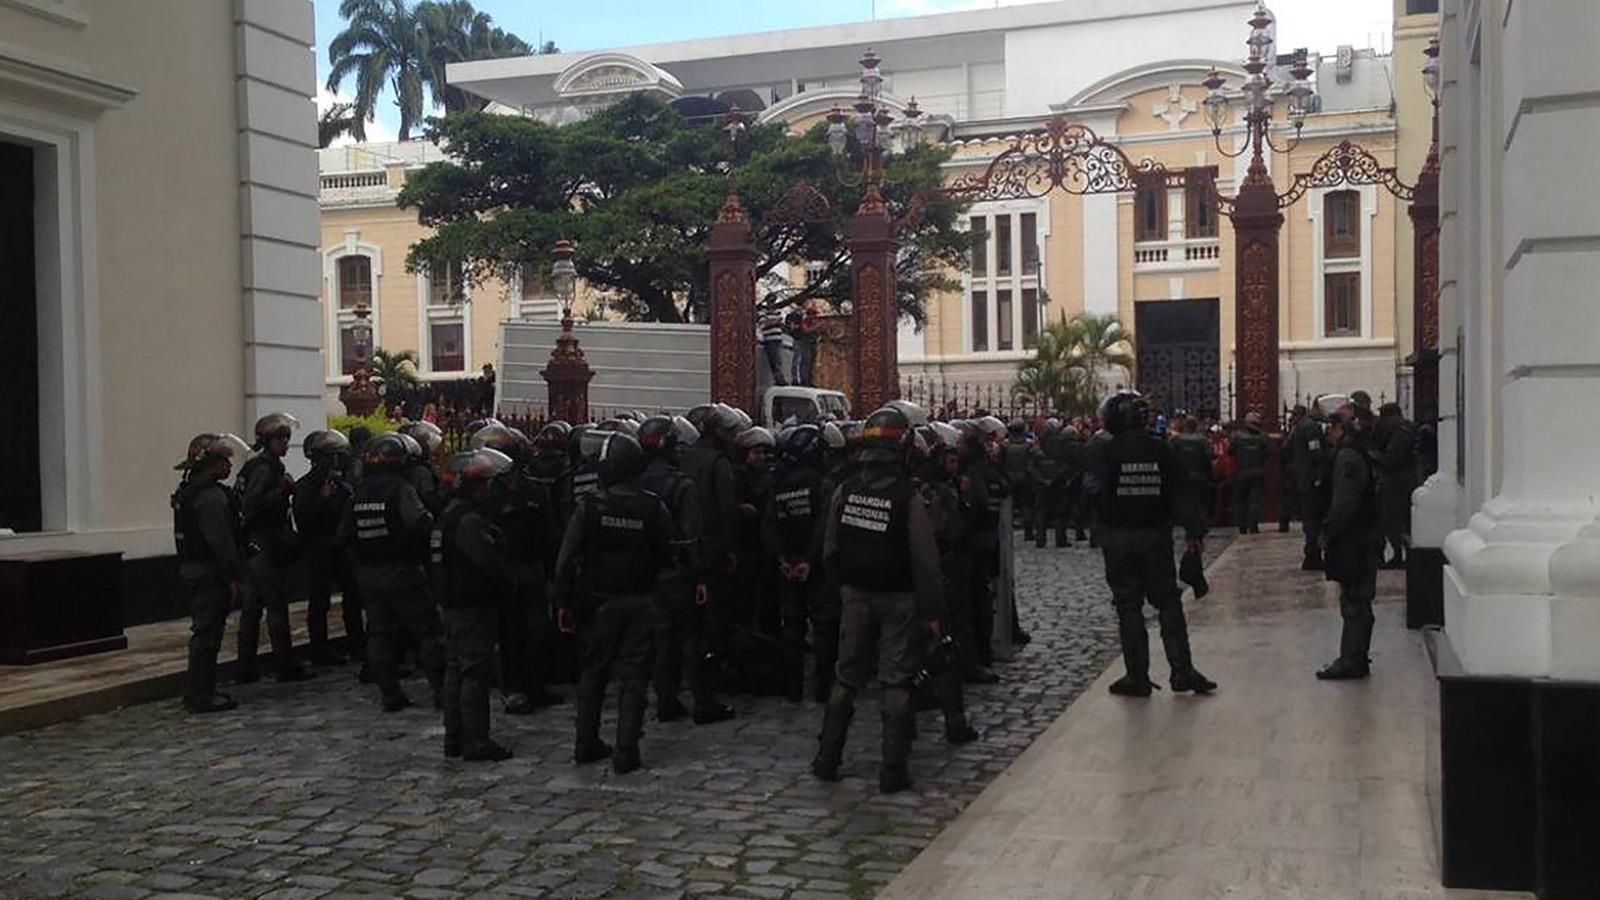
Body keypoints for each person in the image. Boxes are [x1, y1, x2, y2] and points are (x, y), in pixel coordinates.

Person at [811, 406, 945, 794]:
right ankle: (892, 768)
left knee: (846, 675)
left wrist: (842, 589)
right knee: (896, 679)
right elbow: (925, 560)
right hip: (899, 598)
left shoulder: (845, 490)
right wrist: (933, 611)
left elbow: (830, 548)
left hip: (855, 594)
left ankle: (827, 758)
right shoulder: (909, 498)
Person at [555, 432, 672, 774]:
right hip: (640, 599)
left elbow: (566, 559)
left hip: (597, 602)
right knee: (634, 677)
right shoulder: (653, 506)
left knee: (593, 674)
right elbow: (667, 552)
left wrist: (562, 599)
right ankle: (626, 749)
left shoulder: (589, 506)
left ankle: (585, 742)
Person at [1088, 392, 1217, 698]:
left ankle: (1137, 676)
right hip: (1155, 538)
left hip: (1118, 539)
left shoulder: (1104, 452)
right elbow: (1182, 494)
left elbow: (1090, 491)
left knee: (1128, 607)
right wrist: (1194, 532)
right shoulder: (1162, 450)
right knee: (1168, 603)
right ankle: (1182, 669)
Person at [639, 415, 735, 724]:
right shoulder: (681, 484)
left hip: (650, 572)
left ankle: (666, 700)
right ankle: (704, 702)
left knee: (663, 640)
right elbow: (692, 534)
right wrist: (702, 575)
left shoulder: (636, 482)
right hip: (681, 572)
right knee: (694, 637)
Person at [342, 433, 444, 711]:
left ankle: (389, 693)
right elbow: (420, 522)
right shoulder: (401, 488)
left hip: (368, 573)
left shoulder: (359, 491)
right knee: (427, 630)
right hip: (401, 568)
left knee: (378, 633)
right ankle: (441, 691)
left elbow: (346, 534)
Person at [432, 447, 518, 761]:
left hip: (452, 603)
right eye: (484, 485)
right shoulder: (467, 520)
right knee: (474, 673)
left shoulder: (448, 515)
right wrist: (507, 584)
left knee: (456, 670)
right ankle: (475, 740)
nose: (488, 491)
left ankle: (454, 737)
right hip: (470, 604)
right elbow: (487, 561)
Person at [473, 423, 563, 715]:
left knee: (538, 631)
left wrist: (552, 573)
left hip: (533, 568)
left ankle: (536, 685)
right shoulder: (488, 494)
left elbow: (550, 532)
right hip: (505, 571)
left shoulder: (536, 489)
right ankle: (514, 689)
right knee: (510, 633)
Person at [172, 433, 250, 713]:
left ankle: (202, 688)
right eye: (224, 461)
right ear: (211, 463)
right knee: (208, 635)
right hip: (209, 572)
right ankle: (200, 694)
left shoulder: (188, 491)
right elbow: (221, 541)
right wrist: (235, 576)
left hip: (192, 568)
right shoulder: (210, 497)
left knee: (205, 633)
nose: (228, 466)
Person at [235, 413, 313, 684]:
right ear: (266, 440)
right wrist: (281, 490)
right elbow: (250, 506)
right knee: (273, 605)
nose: (285, 443)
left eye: (287, 438)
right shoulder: (264, 469)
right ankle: (284, 664)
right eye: (280, 438)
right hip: (263, 541)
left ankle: (246, 666)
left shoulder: (260, 466)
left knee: (253, 608)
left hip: (258, 543)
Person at [762, 423, 836, 704]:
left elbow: (769, 525)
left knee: (791, 628)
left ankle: (792, 687)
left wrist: (783, 559)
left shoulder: (779, 484)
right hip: (813, 568)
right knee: (822, 628)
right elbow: (825, 526)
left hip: (788, 565)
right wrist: (809, 560)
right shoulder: (821, 484)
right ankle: (822, 687)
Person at [1316, 406, 1383, 680]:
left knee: (1354, 599)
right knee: (1360, 598)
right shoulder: (1360, 452)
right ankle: (1357, 656)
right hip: (1365, 533)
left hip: (1354, 536)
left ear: (1341, 429)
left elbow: (1345, 502)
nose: (1328, 434)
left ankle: (1351, 659)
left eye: (1331, 428)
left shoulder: (1347, 457)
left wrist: (1328, 531)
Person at [293, 429, 364, 668]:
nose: (334, 462)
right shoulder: (306, 486)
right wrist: (322, 499)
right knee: (320, 600)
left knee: (353, 596)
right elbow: (303, 520)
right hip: (318, 548)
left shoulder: (340, 484)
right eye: (330, 456)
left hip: (340, 546)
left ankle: (357, 644)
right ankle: (319, 650)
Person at [1373, 403, 1417, 570]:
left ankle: (1400, 554)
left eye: (1386, 417)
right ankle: (1404, 553)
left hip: (1397, 482)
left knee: (1393, 520)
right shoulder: (1408, 429)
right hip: (1406, 480)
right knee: (1403, 521)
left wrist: (1377, 457)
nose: (1384, 422)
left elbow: (1391, 460)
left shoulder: (1400, 435)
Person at [1289, 404, 1332, 570]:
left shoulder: (1297, 429)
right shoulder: (1311, 427)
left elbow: (1287, 450)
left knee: (1309, 518)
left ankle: (1311, 553)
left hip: (1301, 479)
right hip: (1312, 480)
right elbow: (1316, 452)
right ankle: (1312, 555)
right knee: (1314, 518)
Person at [1169, 417, 1215, 547]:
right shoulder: (1202, 440)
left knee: (1185, 505)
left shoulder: (1175, 440)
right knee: (1200, 504)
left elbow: (1169, 457)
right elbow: (1210, 456)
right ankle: (1198, 530)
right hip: (1199, 476)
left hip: (1181, 478)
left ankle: (1190, 530)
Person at [1027, 418, 1072, 548]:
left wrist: (1041, 479)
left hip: (1041, 482)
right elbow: (1066, 462)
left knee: (1041, 510)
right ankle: (1060, 539)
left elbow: (1030, 466)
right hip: (1057, 482)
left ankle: (1041, 539)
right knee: (1060, 510)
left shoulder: (1037, 444)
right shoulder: (1062, 442)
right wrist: (1056, 477)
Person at [1228, 411, 1270, 535]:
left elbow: (1230, 451)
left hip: (1241, 472)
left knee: (1240, 501)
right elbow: (1268, 453)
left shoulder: (1237, 436)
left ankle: (1242, 527)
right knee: (1254, 501)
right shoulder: (1263, 437)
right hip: (1258, 472)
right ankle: (1253, 526)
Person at [790, 304, 820, 387]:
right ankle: (804, 380)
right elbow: (805, 330)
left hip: (813, 344)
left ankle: (811, 381)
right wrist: (815, 327)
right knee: (805, 362)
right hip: (806, 344)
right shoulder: (805, 321)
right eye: (813, 314)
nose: (814, 316)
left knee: (812, 363)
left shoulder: (814, 322)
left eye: (815, 314)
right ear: (809, 314)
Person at [758, 308, 789, 387]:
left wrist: (776, 322)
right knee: (774, 360)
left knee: (779, 360)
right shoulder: (762, 313)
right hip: (769, 339)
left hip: (778, 339)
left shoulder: (777, 312)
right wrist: (774, 322)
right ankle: (778, 379)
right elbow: (763, 325)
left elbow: (782, 325)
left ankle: (780, 378)